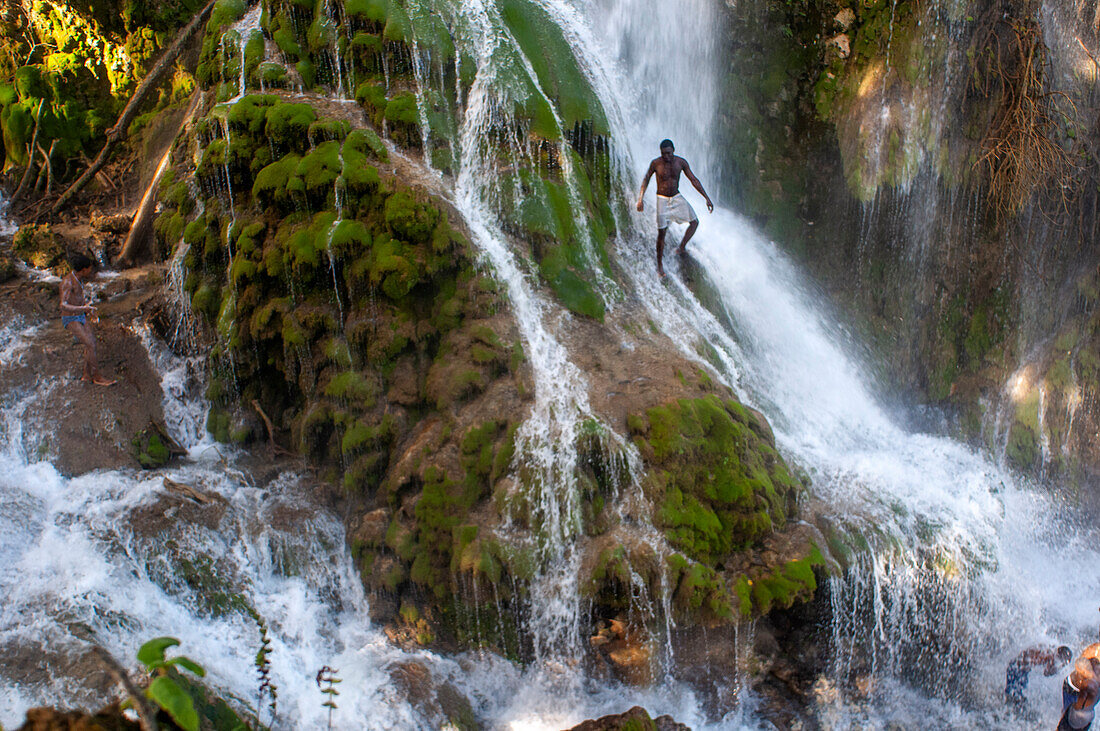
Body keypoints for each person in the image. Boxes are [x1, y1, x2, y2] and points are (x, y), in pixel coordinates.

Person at [636, 139, 713, 278]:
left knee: (694, 222)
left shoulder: (680, 162)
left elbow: (693, 180)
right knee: (662, 233)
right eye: (664, 153)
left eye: (669, 153)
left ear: (673, 151)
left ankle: (682, 246)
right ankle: (659, 265)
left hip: (676, 197)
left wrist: (706, 198)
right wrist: (640, 198)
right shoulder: (656, 163)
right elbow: (646, 179)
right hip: (662, 199)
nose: (666, 156)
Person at [60, 253, 115, 386]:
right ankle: (97, 377)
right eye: (90, 268)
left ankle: (86, 374)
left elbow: (79, 297)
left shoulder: (79, 279)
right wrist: (82, 309)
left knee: (91, 343)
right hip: (70, 317)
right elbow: (63, 304)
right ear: (84, 269)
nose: (91, 270)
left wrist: (87, 310)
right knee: (90, 344)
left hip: (80, 315)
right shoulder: (68, 282)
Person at [1003, 644, 1072, 711]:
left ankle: (1008, 706)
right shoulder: (1047, 654)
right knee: (1013, 698)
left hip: (1023, 671)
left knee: (1018, 699)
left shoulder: (1052, 657)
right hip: (1016, 668)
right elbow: (1046, 672)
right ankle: (1005, 708)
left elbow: (1047, 672)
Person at [1060, 657, 1100, 730]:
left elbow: (1079, 705)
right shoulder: (1092, 682)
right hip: (1087, 714)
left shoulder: (1089, 685)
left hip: (1078, 715)